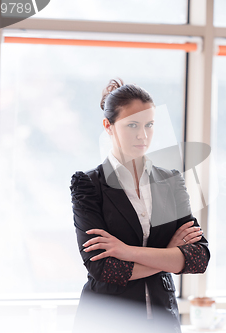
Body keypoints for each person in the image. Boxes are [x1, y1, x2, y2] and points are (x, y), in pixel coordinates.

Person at [70, 78, 210, 333]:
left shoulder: (170, 180)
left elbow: (199, 258)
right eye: (132, 125)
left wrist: (126, 251)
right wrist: (169, 254)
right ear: (108, 126)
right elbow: (103, 268)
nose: (143, 135)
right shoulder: (89, 185)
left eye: (149, 125)